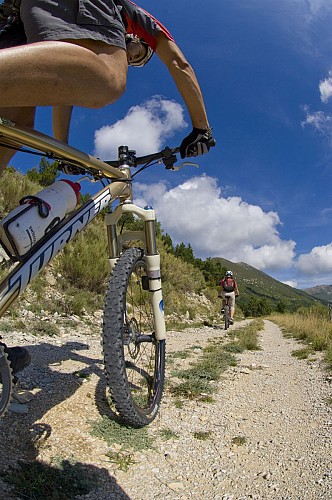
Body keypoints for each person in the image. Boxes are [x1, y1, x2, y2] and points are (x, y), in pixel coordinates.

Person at [0, 1, 214, 379]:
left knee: (16, 125)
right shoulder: (129, 14)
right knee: (105, 78)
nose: (134, 57)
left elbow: (61, 84)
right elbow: (179, 63)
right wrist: (201, 128)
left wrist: (61, 148)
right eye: (138, 54)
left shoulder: (67, 33)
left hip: (23, 21)